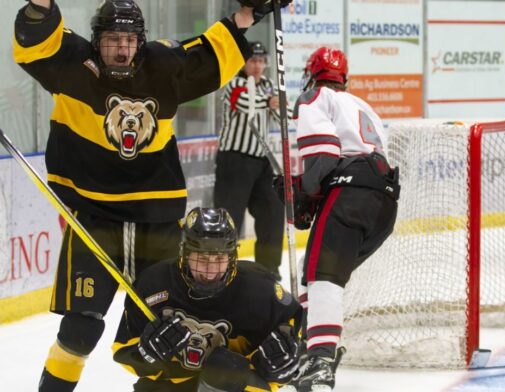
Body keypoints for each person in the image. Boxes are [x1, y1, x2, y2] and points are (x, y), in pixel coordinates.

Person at [13, 0, 289, 390]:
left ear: (140, 42)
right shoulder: (72, 64)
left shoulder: (163, 65)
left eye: (129, 40)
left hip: (157, 221)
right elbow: (35, 38)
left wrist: (250, 12)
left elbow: (209, 52)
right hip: (93, 221)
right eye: (112, 40)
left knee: (173, 326)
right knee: (79, 330)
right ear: (96, 42)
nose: (122, 49)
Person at [280, 47, 400, 391]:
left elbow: (322, 162)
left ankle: (320, 360)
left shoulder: (313, 97)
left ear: (312, 75)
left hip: (351, 194)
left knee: (323, 278)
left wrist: (300, 189)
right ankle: (313, 345)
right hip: (383, 205)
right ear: (343, 77)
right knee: (311, 274)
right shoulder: (365, 107)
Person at [112, 207, 302, 391]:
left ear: (232, 256)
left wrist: (279, 363)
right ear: (185, 254)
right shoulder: (154, 283)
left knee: (223, 369)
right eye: (201, 260)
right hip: (169, 384)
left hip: (236, 386)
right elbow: (122, 350)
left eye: (219, 260)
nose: (210, 272)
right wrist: (146, 352)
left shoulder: (259, 288)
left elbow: (295, 328)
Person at [214, 41, 284, 280]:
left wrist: (278, 105)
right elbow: (245, 102)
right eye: (253, 60)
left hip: (262, 161)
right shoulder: (234, 83)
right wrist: (271, 101)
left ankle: (268, 268)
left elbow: (278, 114)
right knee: (229, 216)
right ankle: (222, 268)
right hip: (234, 160)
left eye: (261, 61)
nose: (257, 65)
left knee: (273, 212)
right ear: (243, 62)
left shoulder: (269, 85)